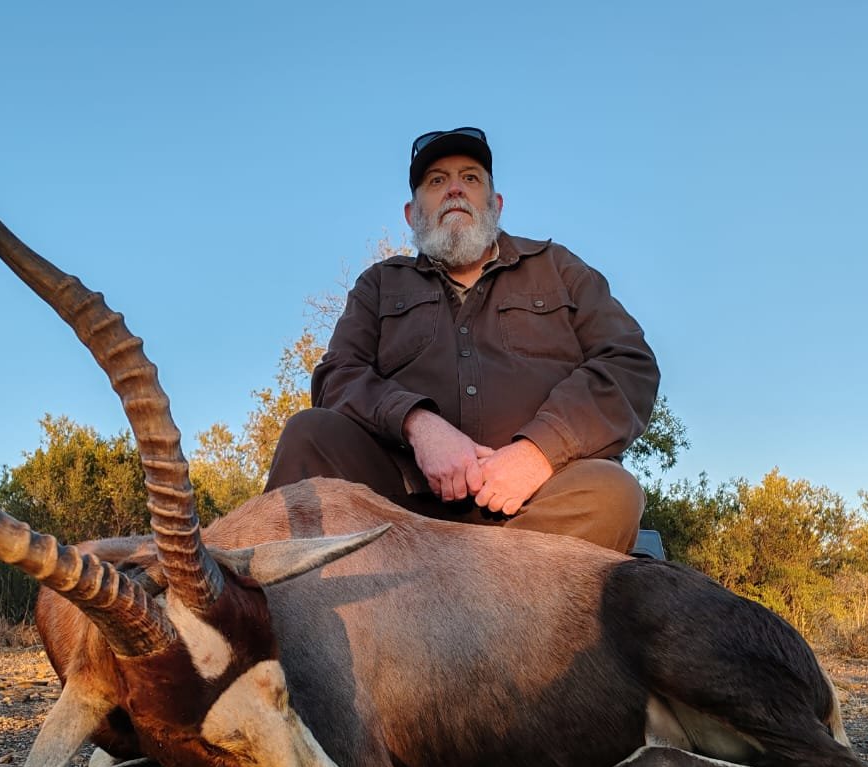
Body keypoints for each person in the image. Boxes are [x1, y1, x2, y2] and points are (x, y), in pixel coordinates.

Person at [265, 127, 659, 553]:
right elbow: (337, 376)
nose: (454, 189)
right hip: (398, 510)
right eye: (436, 181)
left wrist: (538, 452)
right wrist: (418, 425)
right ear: (412, 214)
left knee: (610, 494)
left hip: (534, 514)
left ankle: (442, 590)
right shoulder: (379, 284)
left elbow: (628, 362)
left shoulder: (558, 268)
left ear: (496, 204)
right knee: (308, 435)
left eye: (471, 178)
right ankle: (474, 587)